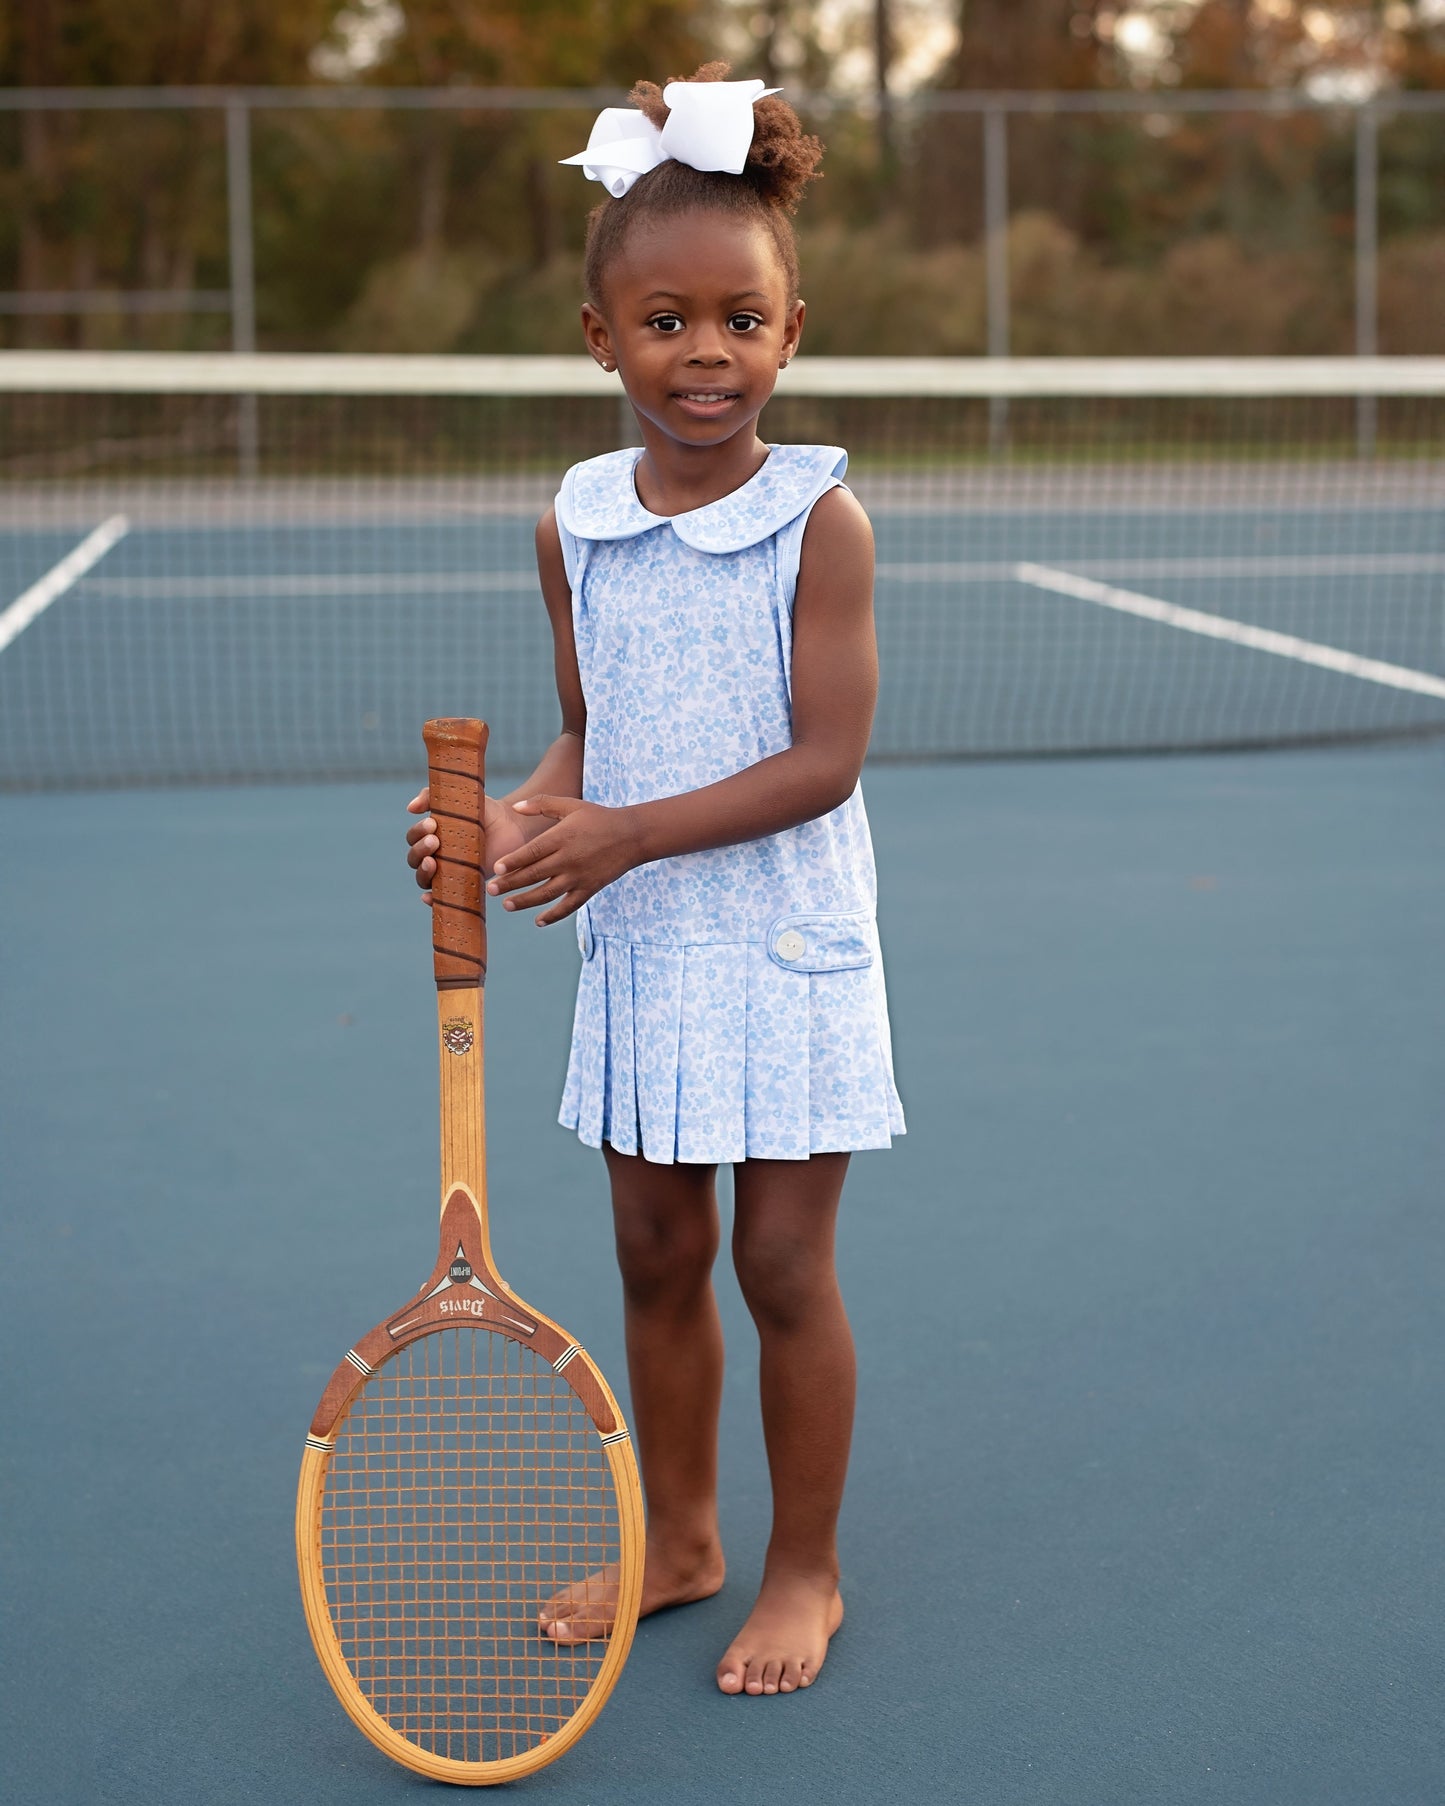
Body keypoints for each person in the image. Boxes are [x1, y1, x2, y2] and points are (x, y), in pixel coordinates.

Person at [405, 63, 904, 1699]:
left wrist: (614, 829)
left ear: (793, 327)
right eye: (669, 322)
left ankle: (804, 1568)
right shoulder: (569, 522)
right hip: (641, 948)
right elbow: (581, 730)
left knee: (779, 1264)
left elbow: (822, 760)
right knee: (650, 1253)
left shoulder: (817, 523)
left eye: (740, 321)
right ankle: (679, 1539)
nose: (708, 354)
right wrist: (507, 824)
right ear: (597, 336)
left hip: (781, 938)